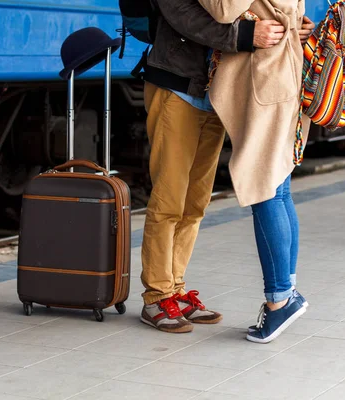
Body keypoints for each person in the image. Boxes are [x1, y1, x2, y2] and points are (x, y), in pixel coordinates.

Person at [138, 0, 292, 333]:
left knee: (195, 202)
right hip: (176, 86)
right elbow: (184, 17)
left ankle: (176, 288)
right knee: (169, 198)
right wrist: (245, 35)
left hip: (216, 92)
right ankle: (156, 296)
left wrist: (291, 25)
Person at [197, 0, 315, 343]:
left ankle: (279, 301)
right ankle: (287, 291)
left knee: (263, 187)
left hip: (266, 78)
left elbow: (223, 9)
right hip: (284, 71)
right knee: (278, 188)